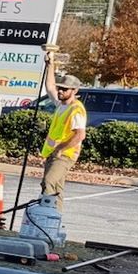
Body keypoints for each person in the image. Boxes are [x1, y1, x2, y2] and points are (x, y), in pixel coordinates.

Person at [37, 72, 87, 205]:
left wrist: (60, 149)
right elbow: (49, 86)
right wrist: (50, 63)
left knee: (48, 182)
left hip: (65, 155)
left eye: (65, 89)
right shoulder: (61, 105)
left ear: (74, 90)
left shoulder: (76, 110)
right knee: (57, 189)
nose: (60, 91)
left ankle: (46, 215)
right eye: (60, 88)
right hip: (54, 153)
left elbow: (80, 135)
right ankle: (55, 218)